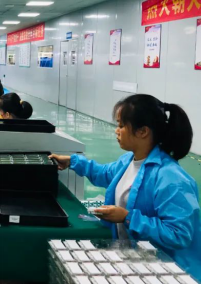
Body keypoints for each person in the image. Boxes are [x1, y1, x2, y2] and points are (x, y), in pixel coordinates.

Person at [50, 95, 201, 281]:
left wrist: (127, 217)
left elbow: (179, 235)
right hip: (138, 264)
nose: (116, 131)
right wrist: (72, 162)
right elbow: (104, 173)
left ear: (142, 131)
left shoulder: (171, 179)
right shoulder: (129, 160)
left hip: (169, 273)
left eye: (121, 125)